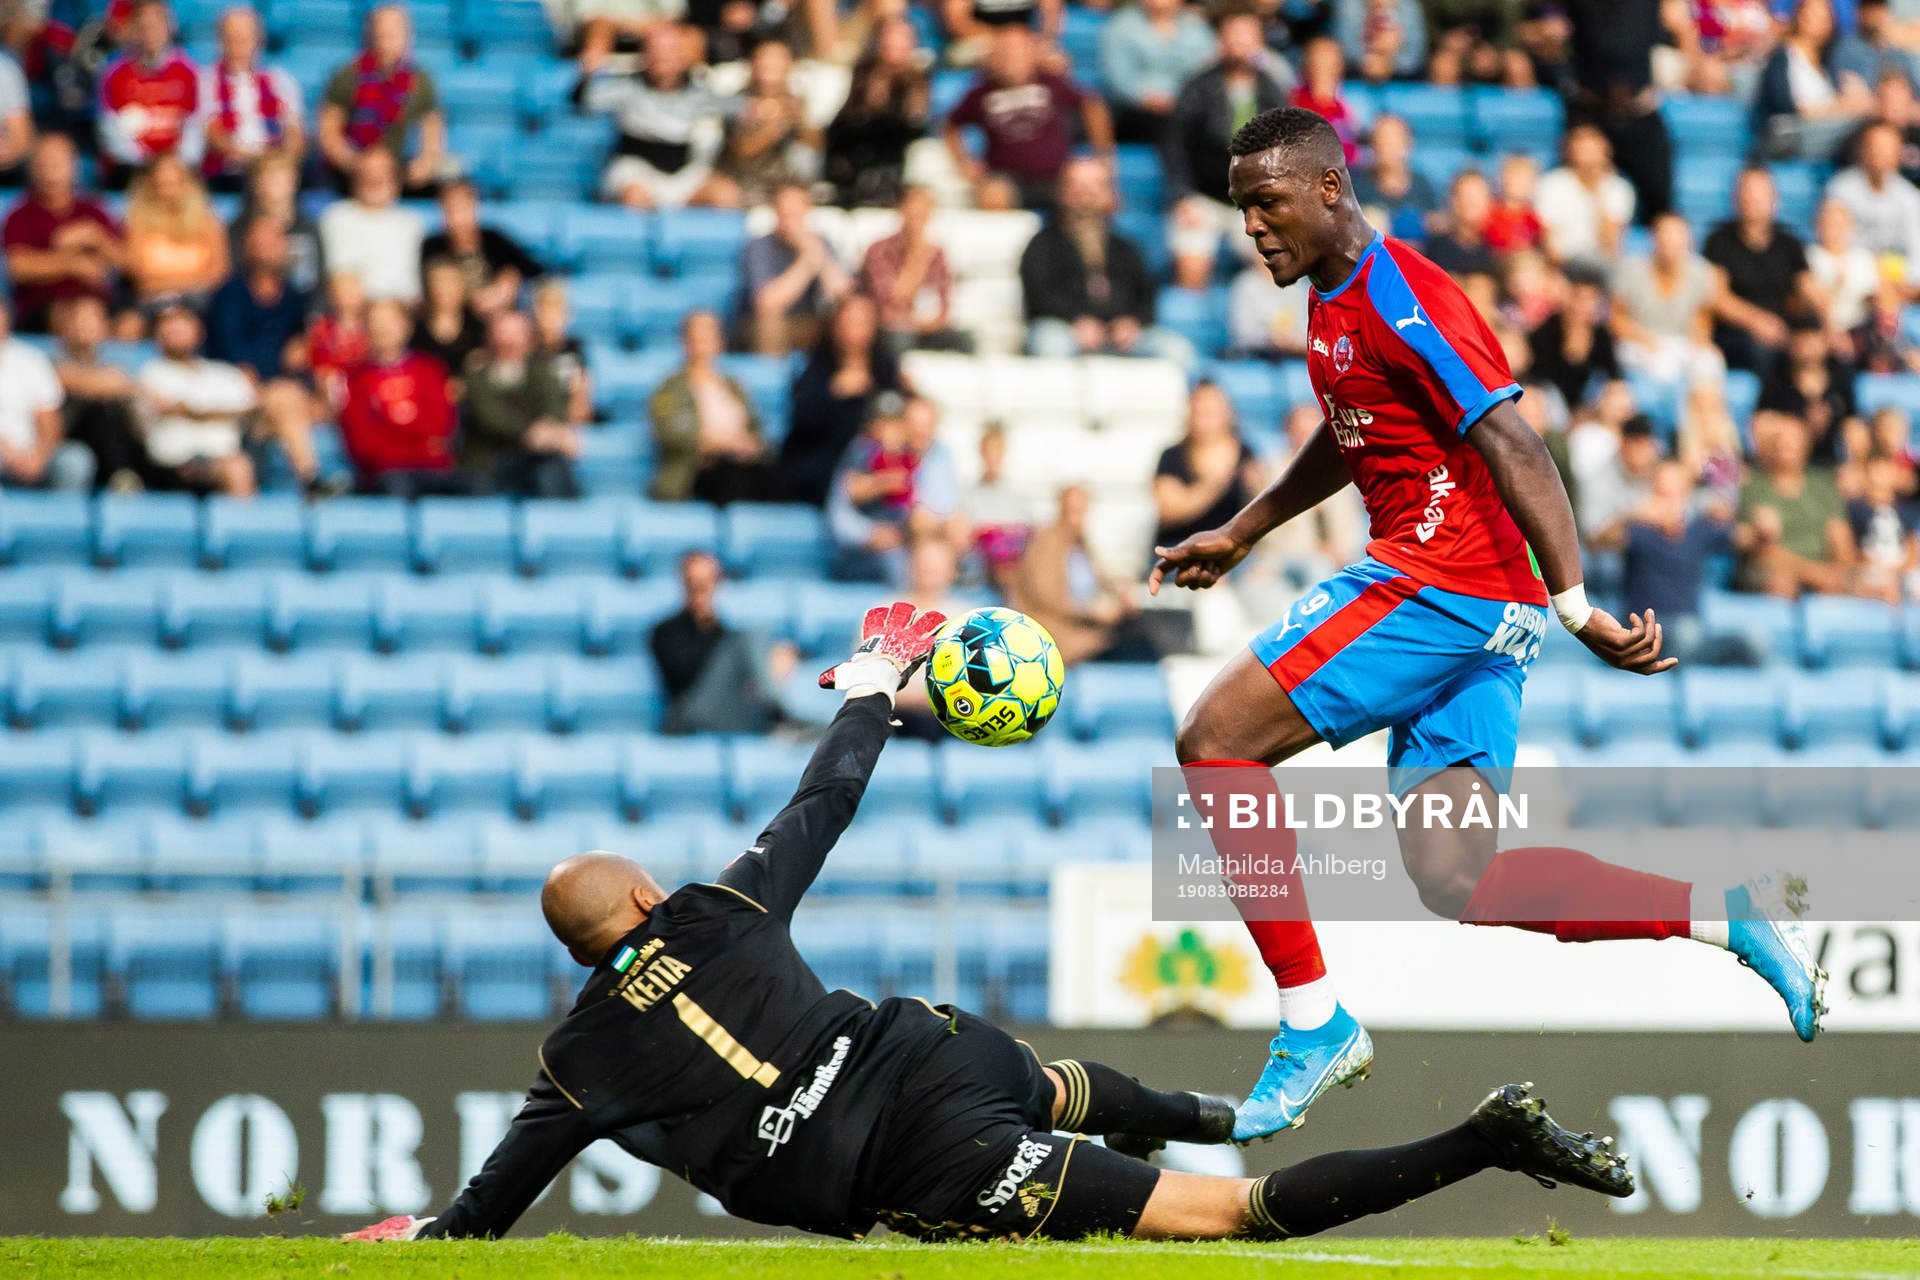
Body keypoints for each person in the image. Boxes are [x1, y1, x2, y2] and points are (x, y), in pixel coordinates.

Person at [343, 603, 1635, 1247]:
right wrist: (870, 685)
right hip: (930, 1052)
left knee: (1229, 1220)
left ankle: (1481, 1140)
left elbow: (479, 1223)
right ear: (636, 902)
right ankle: (1229, 1106)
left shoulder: (573, 1065)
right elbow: (826, 796)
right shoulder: (713, 912)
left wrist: (416, 1237)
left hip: (913, 1164)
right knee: (1061, 1084)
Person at [1147, 106, 1825, 1141]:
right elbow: (1354, 431)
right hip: (1486, 608)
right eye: (1243, 209)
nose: (1254, 227)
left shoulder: (1403, 294)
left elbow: (1516, 442)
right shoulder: (1333, 301)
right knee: (1458, 878)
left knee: (1213, 742)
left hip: (1438, 583)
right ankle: (1727, 913)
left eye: (1268, 202)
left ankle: (1311, 1021)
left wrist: (1581, 603)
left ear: (1329, 186)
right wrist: (1244, 528)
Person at [1019, 156, 1192, 365]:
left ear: (1109, 194)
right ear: (1061, 192)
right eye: (1077, 187)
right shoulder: (1042, 244)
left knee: (1176, 351)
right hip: (1066, 330)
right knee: (1050, 344)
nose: (1086, 197)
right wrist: (1075, 321)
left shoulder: (1125, 246)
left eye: (1095, 187)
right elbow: (1039, 297)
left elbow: (1146, 294)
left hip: (1120, 336)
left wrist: (1132, 323)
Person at [1163, 7, 1291, 290]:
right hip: (1203, 196)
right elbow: (1175, 145)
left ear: (1259, 42)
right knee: (1191, 268)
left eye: (1246, 36)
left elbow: (1283, 149)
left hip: (1253, 200)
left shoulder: (1271, 89)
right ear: (1220, 41)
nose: (1239, 44)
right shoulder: (1197, 86)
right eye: (1232, 36)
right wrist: (1181, 196)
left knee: (1274, 267)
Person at [203, 214, 323, 489]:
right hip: (240, 397)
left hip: (281, 400)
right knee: (285, 398)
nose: (267, 249)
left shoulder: (294, 298)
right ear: (247, 247)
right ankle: (310, 477)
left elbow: (301, 353)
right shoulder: (229, 295)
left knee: (291, 401)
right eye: (260, 242)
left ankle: (309, 480)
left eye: (273, 242)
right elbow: (233, 358)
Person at [943, 22, 1112, 212]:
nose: (1011, 61)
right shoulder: (980, 93)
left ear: (1032, 54)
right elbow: (949, 125)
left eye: (1018, 52)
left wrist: (1103, 159)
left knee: (1095, 192)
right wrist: (964, 162)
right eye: (1004, 53)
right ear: (992, 58)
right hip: (1007, 181)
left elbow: (1092, 105)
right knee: (992, 196)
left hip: (1058, 178)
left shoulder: (1052, 83)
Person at [1588, 460, 1740, 663]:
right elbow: (1597, 542)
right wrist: (1634, 514)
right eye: (1661, 493)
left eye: (1675, 494)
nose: (1669, 502)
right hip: (1645, 634)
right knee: (1687, 634)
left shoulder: (1699, 530)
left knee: (1754, 641)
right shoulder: (1638, 530)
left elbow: (1745, 540)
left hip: (1692, 632)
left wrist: (1760, 530)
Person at [579, 23, 738, 210]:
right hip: (638, 173)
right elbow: (583, 101)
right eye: (655, 50)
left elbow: (741, 108)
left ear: (682, 55)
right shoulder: (626, 88)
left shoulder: (700, 93)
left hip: (685, 174)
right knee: (634, 197)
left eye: (669, 50)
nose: (662, 57)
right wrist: (588, 73)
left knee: (725, 195)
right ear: (645, 54)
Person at [1010, 484, 1154, 664]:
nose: (1076, 518)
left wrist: (1120, 594)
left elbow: (1101, 580)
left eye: (1081, 511)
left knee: (1143, 638)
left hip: (1085, 628)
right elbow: (1049, 598)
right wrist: (1093, 612)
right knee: (1136, 650)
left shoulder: (1080, 543)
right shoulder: (1047, 543)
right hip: (1058, 633)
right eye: (1072, 511)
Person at [649, 550, 786, 735]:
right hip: (689, 718)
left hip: (728, 712)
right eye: (693, 583)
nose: (700, 590)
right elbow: (685, 676)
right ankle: (778, 713)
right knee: (753, 636)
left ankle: (782, 717)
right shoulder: (665, 631)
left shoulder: (724, 632)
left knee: (780, 654)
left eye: (706, 583)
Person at [781, 294, 901, 506]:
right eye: (847, 322)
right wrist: (834, 393)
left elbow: (899, 413)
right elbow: (802, 423)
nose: (852, 331)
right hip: (824, 465)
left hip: (872, 460)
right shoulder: (816, 368)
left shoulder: (885, 369)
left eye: (860, 322)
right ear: (835, 326)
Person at [317, 4, 445, 194]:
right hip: (352, 170)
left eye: (394, 32)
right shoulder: (347, 75)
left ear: (408, 36)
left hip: (399, 170)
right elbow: (329, 132)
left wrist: (424, 165)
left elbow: (432, 131)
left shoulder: (420, 80)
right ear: (371, 34)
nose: (388, 39)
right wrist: (358, 164)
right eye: (382, 32)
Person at [649, 308, 773, 504]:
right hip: (696, 473)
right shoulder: (669, 389)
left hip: (742, 466)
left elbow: (757, 430)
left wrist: (750, 445)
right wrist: (720, 442)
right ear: (684, 341)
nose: (703, 342)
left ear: (720, 341)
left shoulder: (734, 386)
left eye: (709, 334)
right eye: (697, 335)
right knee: (731, 475)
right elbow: (669, 433)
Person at [337, 298, 460, 496]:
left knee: (478, 490)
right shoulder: (354, 380)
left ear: (406, 327)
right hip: (384, 472)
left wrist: (397, 435)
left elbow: (441, 425)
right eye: (376, 323)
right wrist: (413, 445)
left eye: (390, 322)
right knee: (396, 488)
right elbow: (361, 442)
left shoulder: (431, 370)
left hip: (433, 468)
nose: (383, 329)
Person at [3, 134, 123, 333]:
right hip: (44, 307)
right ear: (33, 167)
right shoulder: (20, 214)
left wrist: (95, 238)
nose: (51, 166)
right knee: (80, 318)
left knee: (129, 325)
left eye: (58, 160)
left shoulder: (93, 211)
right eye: (45, 160)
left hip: (99, 304)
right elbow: (19, 268)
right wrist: (73, 265)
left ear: (74, 165)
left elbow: (123, 263)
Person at [135, 302, 257, 496]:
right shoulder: (151, 372)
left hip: (225, 454)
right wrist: (225, 412)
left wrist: (190, 410)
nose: (174, 329)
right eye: (166, 324)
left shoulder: (226, 374)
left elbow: (251, 411)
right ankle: (243, 526)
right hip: (174, 466)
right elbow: (164, 409)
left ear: (199, 331)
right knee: (237, 468)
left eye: (182, 322)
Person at [460, 309, 582, 499]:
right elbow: (491, 419)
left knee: (552, 470)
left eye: (516, 334)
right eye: (503, 333)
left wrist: (552, 432)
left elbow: (554, 410)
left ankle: (560, 524)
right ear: (490, 338)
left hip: (536, 459)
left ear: (528, 338)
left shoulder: (541, 372)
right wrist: (532, 432)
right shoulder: (477, 377)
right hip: (491, 462)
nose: (509, 342)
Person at [1703, 167, 1813, 375]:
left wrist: (1826, 324)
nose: (1751, 200)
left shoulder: (1789, 242)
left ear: (1774, 199)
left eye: (1758, 195)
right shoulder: (1718, 241)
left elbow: (1807, 288)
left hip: (1782, 327)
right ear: (1735, 198)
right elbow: (1717, 297)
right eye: (1746, 193)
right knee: (1763, 352)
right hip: (1737, 332)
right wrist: (1757, 321)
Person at [1736, 414, 1855, 596]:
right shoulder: (1753, 486)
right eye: (1779, 441)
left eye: (1792, 441)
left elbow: (1840, 537)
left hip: (1823, 569)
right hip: (1775, 570)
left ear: (1805, 446)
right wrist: (1813, 573)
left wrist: (1840, 571)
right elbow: (1763, 550)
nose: (1785, 446)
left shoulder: (1822, 485)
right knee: (1780, 584)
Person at [822, 16, 928, 209]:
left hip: (892, 156)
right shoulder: (864, 74)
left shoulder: (917, 81)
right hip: (858, 152)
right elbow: (847, 121)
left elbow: (913, 125)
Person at [51, 295, 154, 490]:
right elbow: (74, 381)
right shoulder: (50, 360)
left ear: (105, 327)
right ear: (63, 325)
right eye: (78, 319)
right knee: (97, 411)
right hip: (71, 439)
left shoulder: (113, 367)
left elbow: (142, 396)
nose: (84, 326)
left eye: (92, 319)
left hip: (115, 444)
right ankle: (122, 476)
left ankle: (126, 476)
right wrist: (121, 385)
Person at [95, 0, 203, 184]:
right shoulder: (113, 75)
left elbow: (195, 129)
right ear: (134, 30)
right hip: (132, 170)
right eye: (144, 27)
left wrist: (171, 165)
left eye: (156, 25)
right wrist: (149, 164)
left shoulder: (189, 73)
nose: (150, 33)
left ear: (169, 27)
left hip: (178, 169)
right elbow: (110, 132)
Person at [198, 5, 304, 191]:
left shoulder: (281, 80)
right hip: (229, 172)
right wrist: (255, 161)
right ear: (221, 41)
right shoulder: (206, 81)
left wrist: (281, 162)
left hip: (274, 170)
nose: (239, 46)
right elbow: (212, 133)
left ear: (258, 40)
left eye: (244, 39)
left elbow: (294, 132)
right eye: (232, 39)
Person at [1753, 0, 1874, 161]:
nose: (1818, 22)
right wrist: (1839, 107)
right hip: (1791, 133)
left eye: (1824, 17)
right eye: (1812, 15)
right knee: (1863, 126)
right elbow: (1787, 107)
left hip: (1823, 133)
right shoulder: (1781, 57)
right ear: (1799, 17)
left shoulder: (1826, 64)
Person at [740, 182, 851, 356]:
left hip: (809, 323)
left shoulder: (819, 242)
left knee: (852, 320)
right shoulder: (760, 246)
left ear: (807, 212)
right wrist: (806, 263)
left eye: (795, 215)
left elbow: (843, 294)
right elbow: (767, 303)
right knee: (770, 322)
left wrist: (818, 255)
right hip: (763, 328)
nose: (790, 222)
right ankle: (770, 378)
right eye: (785, 214)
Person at [1154, 381, 1266, 552]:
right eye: (1200, 411)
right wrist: (1214, 483)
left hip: (1234, 550)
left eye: (1210, 412)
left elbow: (1260, 511)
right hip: (1180, 547)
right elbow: (1169, 512)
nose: (1204, 419)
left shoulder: (1246, 452)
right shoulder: (1171, 455)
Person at [121, 151, 230, 320]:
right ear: (150, 185)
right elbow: (137, 274)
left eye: (174, 183)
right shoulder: (136, 222)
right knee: (128, 326)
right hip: (152, 302)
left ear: (186, 183)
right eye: (161, 184)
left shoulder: (206, 220)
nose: (168, 191)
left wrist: (172, 286)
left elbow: (218, 271)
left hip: (200, 302)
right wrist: (188, 283)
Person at [857, 186, 963, 355]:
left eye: (922, 215)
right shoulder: (879, 250)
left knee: (964, 340)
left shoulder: (938, 254)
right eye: (913, 214)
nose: (917, 221)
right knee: (898, 339)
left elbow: (944, 306)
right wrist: (917, 256)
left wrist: (926, 324)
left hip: (927, 327)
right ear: (901, 211)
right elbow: (891, 300)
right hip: (890, 328)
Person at [420, 179, 543, 319]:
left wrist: (511, 278)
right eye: (450, 210)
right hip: (457, 322)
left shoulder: (495, 240)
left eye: (462, 208)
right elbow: (427, 293)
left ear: (475, 208)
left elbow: (535, 269)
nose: (457, 218)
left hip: (498, 320)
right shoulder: (432, 246)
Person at [719, 40, 820, 208]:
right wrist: (775, 124)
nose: (770, 64)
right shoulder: (737, 102)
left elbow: (815, 147)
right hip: (746, 182)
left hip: (786, 183)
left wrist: (801, 120)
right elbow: (741, 150)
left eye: (777, 59)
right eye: (764, 58)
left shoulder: (796, 103)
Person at [0, 300, 89, 491]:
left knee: (75, 460)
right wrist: (9, 453)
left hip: (33, 452)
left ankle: (65, 519)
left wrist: (39, 456)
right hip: (5, 455)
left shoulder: (31, 361)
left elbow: (49, 418)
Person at [1099, 0, 1215, 146]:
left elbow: (1206, 69)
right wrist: (1149, 99)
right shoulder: (1121, 27)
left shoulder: (1196, 27)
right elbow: (1118, 79)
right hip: (1137, 111)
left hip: (1187, 106)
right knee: (1172, 126)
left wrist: (1183, 100)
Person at [317, 147, 424, 303]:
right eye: (367, 171)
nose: (374, 177)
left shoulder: (411, 223)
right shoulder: (336, 217)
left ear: (395, 179)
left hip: (403, 311)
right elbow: (339, 277)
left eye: (382, 171)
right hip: (353, 310)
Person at [1533, 123, 1633, 268]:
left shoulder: (1618, 188)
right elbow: (1549, 242)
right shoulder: (1551, 184)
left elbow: (1611, 244)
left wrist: (1600, 192)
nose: (1587, 155)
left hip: (1601, 264)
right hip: (1563, 263)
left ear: (1606, 150)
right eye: (1582, 148)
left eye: (1592, 149)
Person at [1825, 119, 1920, 267]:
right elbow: (1834, 241)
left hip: (1898, 276)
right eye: (1875, 146)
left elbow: (1916, 249)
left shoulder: (1910, 196)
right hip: (1854, 272)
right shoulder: (1841, 189)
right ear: (1862, 149)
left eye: (1888, 147)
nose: (1880, 153)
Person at [227, 152, 324, 294]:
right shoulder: (240, 229)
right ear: (255, 184)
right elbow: (232, 276)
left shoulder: (307, 227)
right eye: (269, 178)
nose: (275, 185)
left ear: (295, 181)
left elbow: (318, 279)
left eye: (282, 177)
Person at [1347, 113, 1436, 243]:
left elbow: (1436, 223)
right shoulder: (1356, 186)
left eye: (1393, 141)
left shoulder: (1422, 184)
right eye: (1380, 140)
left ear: (1408, 143)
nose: (1386, 147)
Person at [1807, 197, 1881, 334]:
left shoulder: (1865, 258)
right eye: (1829, 224)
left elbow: (1878, 297)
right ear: (1817, 225)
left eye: (1840, 224)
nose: (1835, 231)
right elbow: (1808, 304)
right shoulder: (1808, 257)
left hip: (1864, 329)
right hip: (1821, 329)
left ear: (1851, 227)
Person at [412, 258, 486, 381]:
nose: (445, 289)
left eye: (451, 282)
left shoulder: (478, 328)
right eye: (438, 282)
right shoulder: (414, 330)